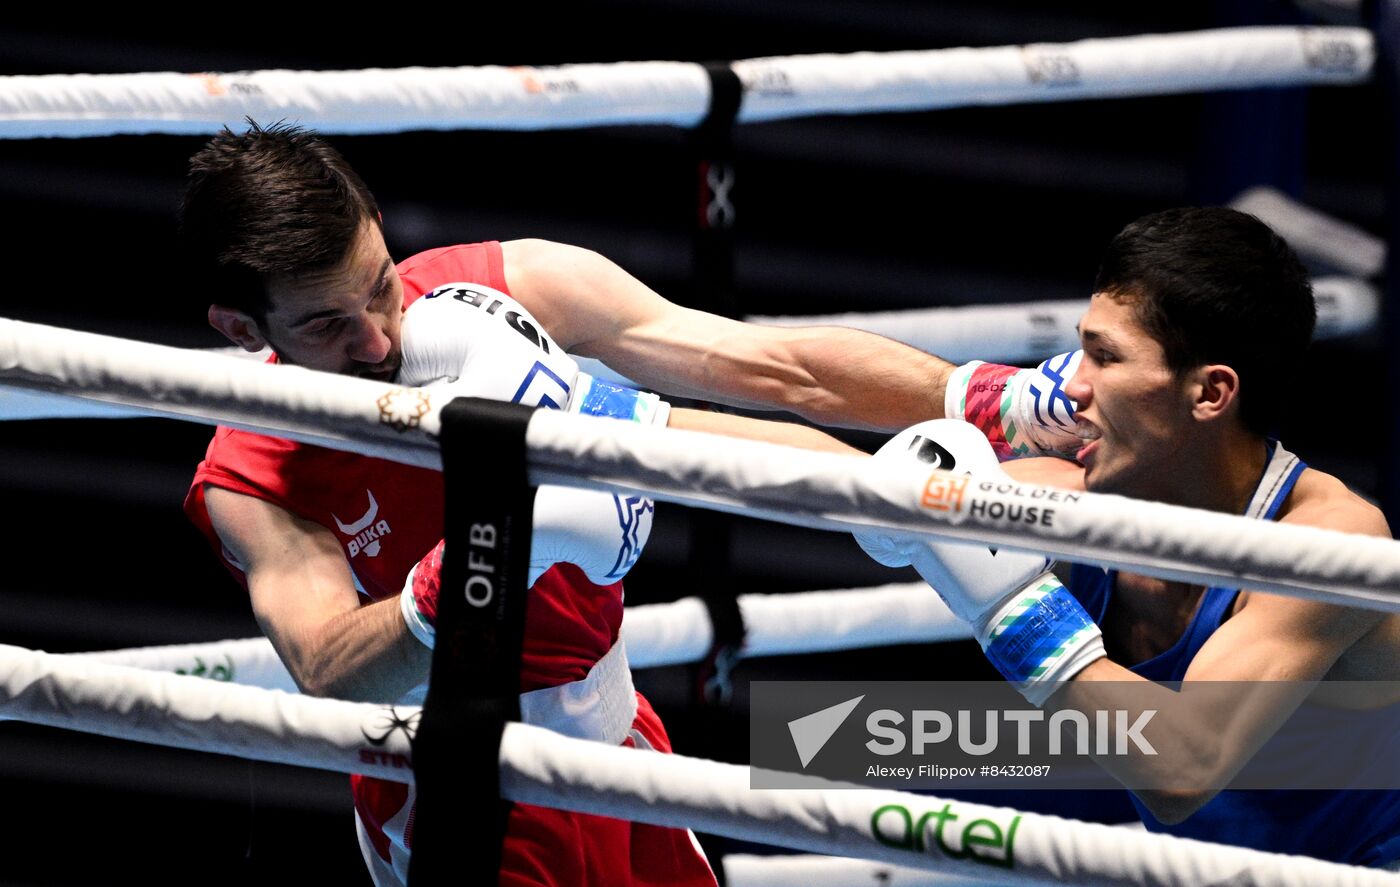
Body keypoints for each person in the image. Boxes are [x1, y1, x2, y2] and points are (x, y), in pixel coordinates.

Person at [178, 121, 1010, 886]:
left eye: (380, 287)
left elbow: (766, 368)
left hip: (615, 728)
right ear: (245, 329)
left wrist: (984, 408)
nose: (379, 339)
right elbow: (329, 670)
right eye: (327, 325)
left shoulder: (502, 291)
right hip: (458, 784)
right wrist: (487, 550)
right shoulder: (254, 473)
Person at [857, 206, 1400, 866]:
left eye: (1104, 356)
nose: (1067, 382)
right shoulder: (1082, 498)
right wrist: (690, 426)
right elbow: (844, 467)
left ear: (1209, 392)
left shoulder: (1332, 544)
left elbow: (1181, 766)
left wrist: (1011, 610)